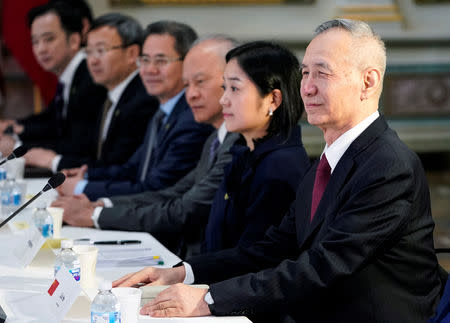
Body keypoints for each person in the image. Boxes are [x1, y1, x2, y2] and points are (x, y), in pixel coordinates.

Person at [114, 19, 442, 323]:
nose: (307, 88)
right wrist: (182, 273)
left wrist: (208, 298)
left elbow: (325, 265)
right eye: (305, 73)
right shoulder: (328, 160)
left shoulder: (388, 166)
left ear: (368, 82)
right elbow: (272, 248)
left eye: (322, 74)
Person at [53, 35, 240, 256]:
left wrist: (94, 215)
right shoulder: (214, 138)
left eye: (200, 82)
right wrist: (101, 206)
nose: (191, 94)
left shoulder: (235, 143)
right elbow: (174, 192)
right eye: (187, 84)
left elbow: (184, 209)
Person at [57, 21, 213, 201]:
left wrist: (81, 187)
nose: (150, 70)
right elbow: (133, 169)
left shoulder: (192, 119)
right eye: (145, 60)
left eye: (161, 61)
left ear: (188, 64)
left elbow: (155, 189)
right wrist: (87, 176)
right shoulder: (163, 112)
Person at [201, 41, 309, 253]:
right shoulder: (244, 151)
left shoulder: (280, 167)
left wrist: (187, 272)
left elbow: (252, 258)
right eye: (224, 88)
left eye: (235, 88)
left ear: (273, 99)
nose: (223, 100)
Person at [25, 13, 158, 171]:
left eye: (101, 51)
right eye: (89, 52)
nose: (93, 61)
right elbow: (90, 152)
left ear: (132, 53)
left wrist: (54, 161)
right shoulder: (110, 95)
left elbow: (120, 167)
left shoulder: (143, 99)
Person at [0, 2, 106, 163]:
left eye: (49, 39)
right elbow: (53, 120)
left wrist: (17, 147)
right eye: (35, 42)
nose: (41, 49)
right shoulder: (69, 74)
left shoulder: (90, 76)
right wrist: (16, 126)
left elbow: (76, 145)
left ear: (74, 40)